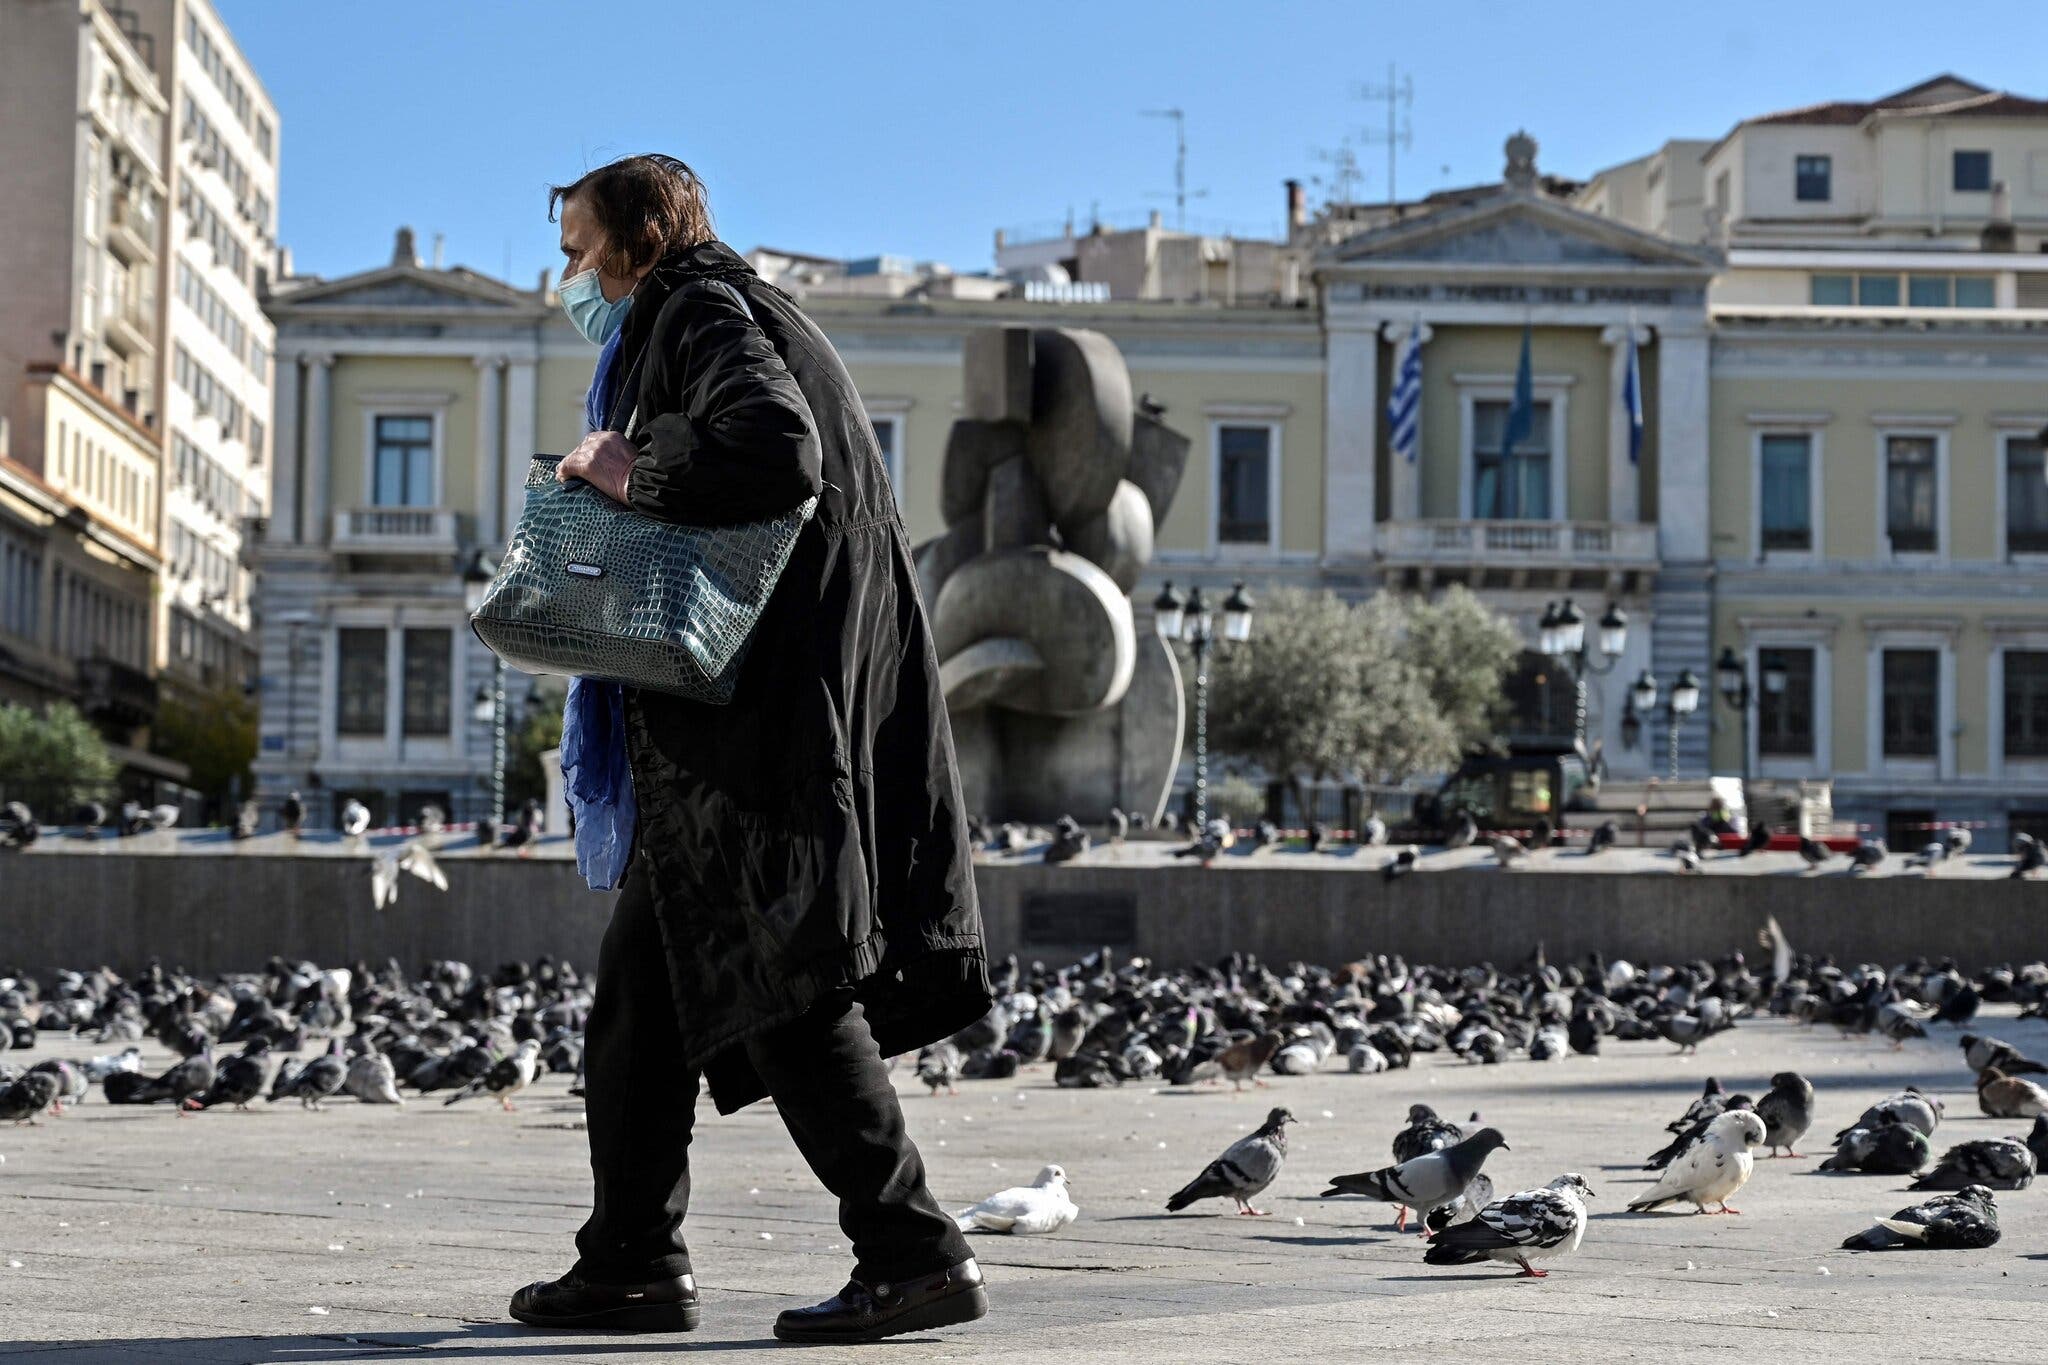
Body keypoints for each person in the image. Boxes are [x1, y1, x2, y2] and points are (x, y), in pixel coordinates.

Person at [507, 155, 993, 1345]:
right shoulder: (717, 308)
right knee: (641, 995)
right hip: (755, 706)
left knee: (785, 978)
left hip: (753, 716)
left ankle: (914, 1251)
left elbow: (778, 453)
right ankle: (628, 1262)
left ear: (642, 234)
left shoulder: (698, 306)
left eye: (579, 246)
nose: (569, 272)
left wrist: (626, 464)